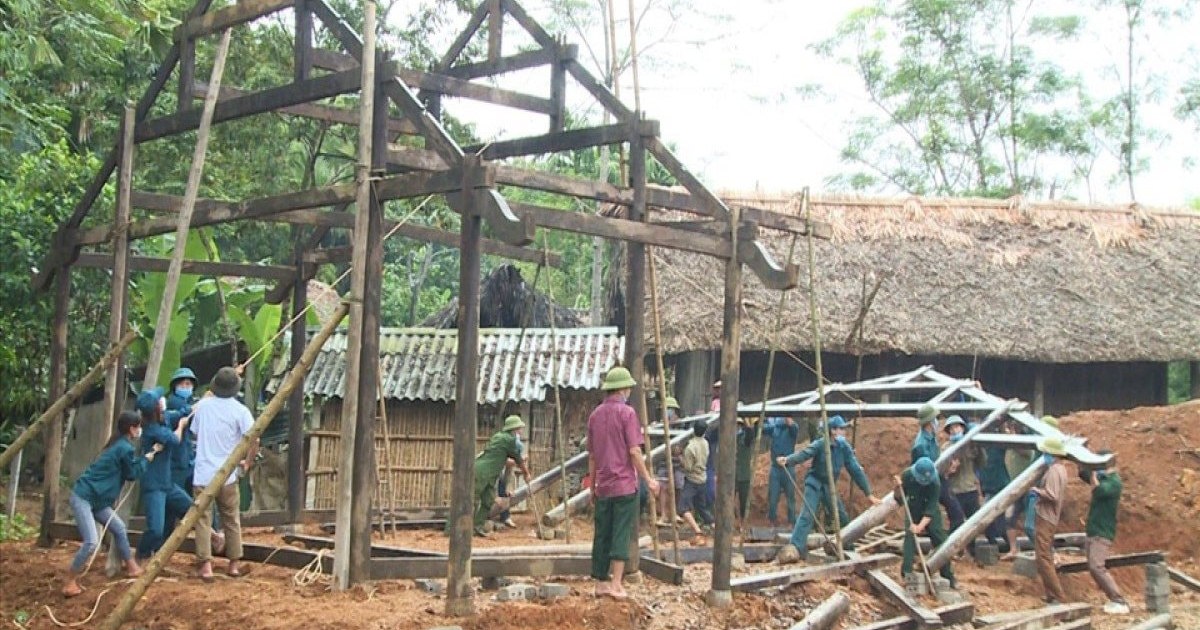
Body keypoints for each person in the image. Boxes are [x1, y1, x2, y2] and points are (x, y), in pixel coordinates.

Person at [62, 411, 159, 597]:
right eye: (138, 427)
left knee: (119, 528)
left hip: (98, 499)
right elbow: (131, 474)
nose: (140, 430)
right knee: (91, 542)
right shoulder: (124, 448)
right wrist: (147, 459)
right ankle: (69, 581)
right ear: (132, 429)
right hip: (85, 497)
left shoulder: (118, 444)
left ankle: (131, 566)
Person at [588, 366, 659, 600]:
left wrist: (592, 486)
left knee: (602, 533)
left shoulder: (595, 415)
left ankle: (600, 582)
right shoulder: (627, 414)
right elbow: (634, 451)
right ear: (624, 388)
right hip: (624, 485)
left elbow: (592, 456)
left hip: (604, 486)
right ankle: (617, 584)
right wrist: (648, 478)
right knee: (621, 532)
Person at [775, 415, 879, 563]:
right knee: (807, 514)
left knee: (840, 515)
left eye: (844, 429)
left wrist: (869, 494)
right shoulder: (821, 444)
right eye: (841, 429)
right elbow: (805, 454)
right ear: (833, 431)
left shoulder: (844, 448)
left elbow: (855, 469)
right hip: (815, 482)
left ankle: (847, 544)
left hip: (829, 485)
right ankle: (796, 546)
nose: (844, 432)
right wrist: (788, 460)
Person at [191, 367, 256, 579]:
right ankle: (234, 564)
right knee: (231, 518)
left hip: (203, 473)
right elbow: (254, 439)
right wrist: (247, 462)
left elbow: (194, 432)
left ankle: (206, 565)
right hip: (228, 474)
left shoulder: (202, 407)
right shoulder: (241, 411)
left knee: (202, 520)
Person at [134, 387, 193, 564]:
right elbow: (175, 439)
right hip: (154, 486)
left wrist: (200, 402)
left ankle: (213, 536)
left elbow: (182, 412)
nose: (163, 401)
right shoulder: (152, 430)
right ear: (156, 409)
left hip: (167, 483)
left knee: (193, 509)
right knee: (155, 529)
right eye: (160, 400)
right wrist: (182, 425)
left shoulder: (164, 418)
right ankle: (142, 554)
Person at [895, 457, 957, 588]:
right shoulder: (907, 475)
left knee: (940, 539)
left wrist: (920, 527)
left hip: (930, 512)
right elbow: (899, 498)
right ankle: (907, 574)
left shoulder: (935, 484)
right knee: (910, 538)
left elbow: (931, 509)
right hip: (913, 509)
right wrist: (898, 488)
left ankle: (948, 576)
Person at [1082, 450, 1130, 614]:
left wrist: (1094, 473)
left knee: (1097, 566)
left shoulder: (1114, 482)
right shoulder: (1104, 478)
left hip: (1102, 532)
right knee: (1092, 566)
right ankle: (1114, 599)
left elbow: (1099, 490)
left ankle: (1119, 600)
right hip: (1093, 529)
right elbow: (1083, 474)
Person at [911, 404, 964, 535]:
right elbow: (925, 470)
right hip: (932, 483)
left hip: (939, 479)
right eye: (935, 419)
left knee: (957, 515)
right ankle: (944, 546)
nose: (937, 422)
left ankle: (948, 545)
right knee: (937, 522)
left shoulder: (931, 437)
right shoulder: (921, 445)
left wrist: (947, 470)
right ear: (929, 422)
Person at [473, 415, 530, 536]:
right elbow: (514, 461)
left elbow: (509, 469)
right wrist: (525, 472)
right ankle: (454, 529)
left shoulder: (500, 437)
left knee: (488, 501)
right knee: (470, 499)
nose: (520, 431)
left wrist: (508, 488)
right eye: (519, 428)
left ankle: (477, 527)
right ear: (514, 428)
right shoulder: (509, 441)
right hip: (484, 472)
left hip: (490, 473)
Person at [1031, 435, 1071, 604]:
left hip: (1046, 517)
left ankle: (1058, 596)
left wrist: (1037, 491)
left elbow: (1052, 495)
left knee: (1044, 558)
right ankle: (1051, 594)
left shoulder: (1054, 471)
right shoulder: (1060, 469)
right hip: (1048, 517)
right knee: (1042, 556)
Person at [943, 416, 982, 548]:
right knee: (956, 521)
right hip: (955, 490)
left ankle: (971, 551)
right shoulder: (946, 448)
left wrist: (979, 446)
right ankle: (951, 549)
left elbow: (982, 462)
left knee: (973, 523)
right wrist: (951, 469)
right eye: (952, 428)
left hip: (970, 488)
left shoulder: (970, 445)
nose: (955, 430)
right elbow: (942, 471)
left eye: (957, 427)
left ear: (963, 428)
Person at [1002, 421, 1038, 560]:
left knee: (1031, 526)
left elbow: (1026, 452)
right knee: (1009, 519)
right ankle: (1013, 549)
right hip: (1014, 488)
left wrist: (1012, 439)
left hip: (1028, 489)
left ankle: (1044, 551)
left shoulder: (1027, 445)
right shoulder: (1010, 447)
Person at [977, 427, 1011, 549]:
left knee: (1000, 522)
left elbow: (1008, 439)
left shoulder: (998, 445)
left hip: (1001, 487)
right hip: (988, 488)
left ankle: (1008, 546)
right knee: (986, 520)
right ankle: (995, 545)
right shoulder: (980, 449)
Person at [762, 416, 800, 526]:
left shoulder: (793, 428)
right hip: (775, 468)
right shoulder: (776, 427)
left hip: (788, 467)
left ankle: (792, 521)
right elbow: (763, 429)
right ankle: (772, 519)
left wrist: (790, 422)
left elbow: (794, 428)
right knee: (773, 496)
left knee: (790, 497)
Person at [679, 422, 712, 535]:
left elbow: (688, 468)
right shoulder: (706, 443)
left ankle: (697, 530)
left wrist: (680, 457)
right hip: (702, 478)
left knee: (683, 507)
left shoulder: (690, 447)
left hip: (692, 480)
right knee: (701, 507)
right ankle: (713, 525)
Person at [734, 417, 757, 521]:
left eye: (739, 425)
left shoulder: (744, 438)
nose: (737, 427)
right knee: (729, 500)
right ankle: (733, 521)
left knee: (744, 501)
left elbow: (750, 434)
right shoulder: (728, 437)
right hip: (731, 474)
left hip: (744, 474)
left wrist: (747, 422)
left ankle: (743, 522)